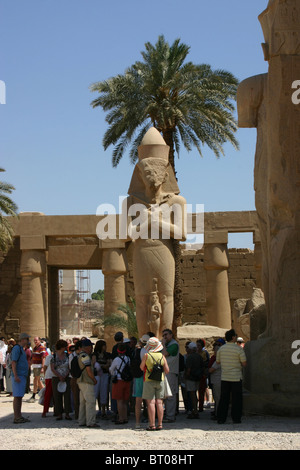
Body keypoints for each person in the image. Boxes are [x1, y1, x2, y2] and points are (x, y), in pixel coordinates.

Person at [216, 329, 247, 424]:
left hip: (225, 377)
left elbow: (218, 362)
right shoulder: (238, 349)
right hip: (236, 377)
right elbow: (244, 363)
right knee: (236, 399)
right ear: (233, 337)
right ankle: (236, 418)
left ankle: (221, 418)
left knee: (224, 398)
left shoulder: (221, 349)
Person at [140, 336, 169, 431]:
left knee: (151, 403)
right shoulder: (162, 356)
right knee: (159, 402)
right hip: (160, 380)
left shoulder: (146, 356)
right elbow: (167, 370)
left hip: (149, 380)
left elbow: (141, 367)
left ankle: (152, 424)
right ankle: (160, 424)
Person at [77, 338, 98, 428]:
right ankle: (91, 422)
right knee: (90, 402)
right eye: (90, 346)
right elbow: (88, 369)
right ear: (87, 347)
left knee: (82, 402)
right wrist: (93, 379)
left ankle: (82, 420)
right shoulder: (85, 356)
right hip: (86, 381)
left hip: (81, 381)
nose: (91, 348)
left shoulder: (80, 355)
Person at [109, 342, 131, 425]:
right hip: (127, 381)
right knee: (125, 401)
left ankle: (121, 418)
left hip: (119, 381)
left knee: (119, 401)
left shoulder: (116, 359)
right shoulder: (128, 358)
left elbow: (111, 369)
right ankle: (125, 417)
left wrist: (113, 374)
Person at [11, 333, 30, 424]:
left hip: (21, 375)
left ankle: (19, 415)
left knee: (20, 396)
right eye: (27, 339)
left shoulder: (21, 349)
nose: (28, 341)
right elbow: (13, 362)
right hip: (18, 375)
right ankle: (17, 417)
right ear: (22, 339)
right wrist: (15, 375)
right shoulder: (17, 349)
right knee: (17, 397)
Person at [50, 339, 72, 421]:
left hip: (66, 377)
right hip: (56, 377)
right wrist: (59, 376)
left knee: (67, 396)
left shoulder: (68, 356)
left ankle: (67, 413)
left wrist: (65, 375)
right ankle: (59, 413)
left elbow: (69, 367)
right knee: (57, 396)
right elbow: (52, 368)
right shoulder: (54, 356)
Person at [161, 328, 179, 423]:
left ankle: (170, 416)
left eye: (166, 334)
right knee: (165, 394)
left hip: (171, 372)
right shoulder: (168, 345)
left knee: (170, 394)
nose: (165, 337)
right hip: (166, 372)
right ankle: (167, 414)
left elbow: (164, 354)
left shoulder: (174, 345)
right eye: (163, 335)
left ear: (171, 335)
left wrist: (163, 344)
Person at [132, 334, 149, 429]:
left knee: (138, 401)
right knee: (149, 401)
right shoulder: (151, 351)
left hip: (139, 376)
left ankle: (137, 422)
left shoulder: (139, 351)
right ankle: (150, 422)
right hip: (148, 376)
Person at [92, 340, 111, 419]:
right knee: (96, 392)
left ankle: (103, 410)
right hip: (97, 375)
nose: (105, 347)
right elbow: (94, 363)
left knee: (104, 391)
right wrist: (103, 366)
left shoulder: (107, 355)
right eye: (104, 345)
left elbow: (109, 364)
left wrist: (102, 366)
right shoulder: (94, 354)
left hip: (105, 375)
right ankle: (94, 411)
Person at [184, 342, 204, 419]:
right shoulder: (199, 356)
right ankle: (195, 410)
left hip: (191, 378)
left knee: (192, 395)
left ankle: (195, 411)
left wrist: (186, 376)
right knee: (195, 394)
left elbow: (188, 369)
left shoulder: (190, 357)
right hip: (198, 378)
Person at [208, 339, 224, 420]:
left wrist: (207, 370)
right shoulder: (217, 358)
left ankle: (219, 414)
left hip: (218, 380)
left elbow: (211, 370)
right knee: (217, 398)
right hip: (217, 380)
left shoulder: (219, 360)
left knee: (218, 398)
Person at [28, 336, 46, 402]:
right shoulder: (35, 348)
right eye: (34, 340)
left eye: (36, 340)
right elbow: (33, 357)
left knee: (36, 380)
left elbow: (43, 357)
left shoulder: (42, 348)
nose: (35, 342)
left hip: (39, 366)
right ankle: (44, 394)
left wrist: (42, 367)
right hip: (35, 366)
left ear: (39, 340)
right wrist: (30, 364)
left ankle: (34, 395)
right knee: (38, 381)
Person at [69, 340, 82, 420]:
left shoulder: (82, 355)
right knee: (76, 398)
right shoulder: (72, 356)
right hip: (74, 378)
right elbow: (70, 367)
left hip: (81, 378)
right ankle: (78, 415)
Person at [196, 338, 210, 411]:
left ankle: (201, 407)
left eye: (199, 345)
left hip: (202, 374)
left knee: (201, 391)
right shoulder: (195, 353)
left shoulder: (205, 353)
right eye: (197, 345)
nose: (197, 347)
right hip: (195, 374)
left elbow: (208, 363)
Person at [42, 346, 54, 418]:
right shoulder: (49, 357)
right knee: (48, 394)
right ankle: (45, 411)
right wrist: (45, 376)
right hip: (49, 377)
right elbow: (45, 366)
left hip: (51, 376)